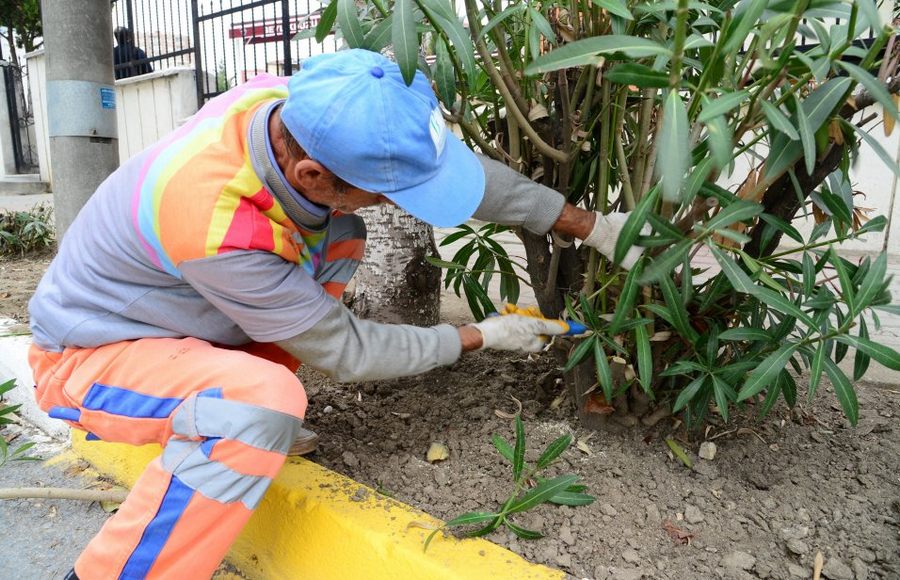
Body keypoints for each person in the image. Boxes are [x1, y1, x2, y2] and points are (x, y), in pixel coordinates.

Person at [30, 49, 642, 579]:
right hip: (89, 357)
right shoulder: (215, 222)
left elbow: (447, 173)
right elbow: (347, 350)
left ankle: (236, 399)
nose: (402, 204)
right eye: (392, 193)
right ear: (313, 176)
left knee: (340, 238)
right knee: (260, 406)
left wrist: (591, 227)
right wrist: (481, 334)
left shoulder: (299, 108)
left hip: (181, 321)